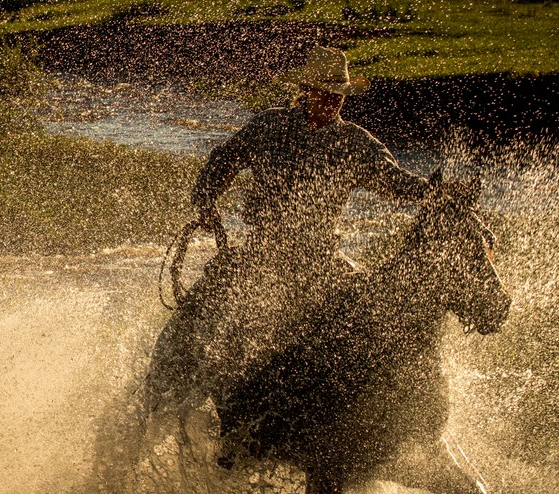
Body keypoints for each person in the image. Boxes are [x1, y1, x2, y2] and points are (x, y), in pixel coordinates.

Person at [149, 47, 432, 463]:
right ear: (306, 91)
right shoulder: (270, 127)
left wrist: (433, 191)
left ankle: (351, 419)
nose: (332, 101)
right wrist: (207, 199)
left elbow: (394, 182)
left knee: (366, 319)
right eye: (324, 92)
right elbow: (224, 158)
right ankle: (194, 385)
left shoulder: (356, 143)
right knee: (210, 314)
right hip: (262, 255)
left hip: (321, 260)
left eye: (338, 95)